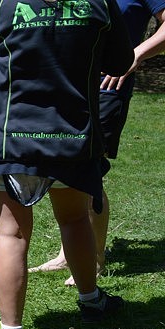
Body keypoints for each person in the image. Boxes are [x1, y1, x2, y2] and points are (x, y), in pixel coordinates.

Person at [0, 0, 133, 329]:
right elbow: (119, 61)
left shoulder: (5, 2)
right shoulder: (100, 2)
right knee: (74, 219)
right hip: (71, 134)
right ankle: (91, 301)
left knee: (12, 233)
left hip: (11, 135)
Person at [28, 0, 165, 286]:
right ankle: (69, 253)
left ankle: (94, 257)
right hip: (66, 86)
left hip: (106, 88)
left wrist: (136, 54)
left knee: (89, 170)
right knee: (66, 170)